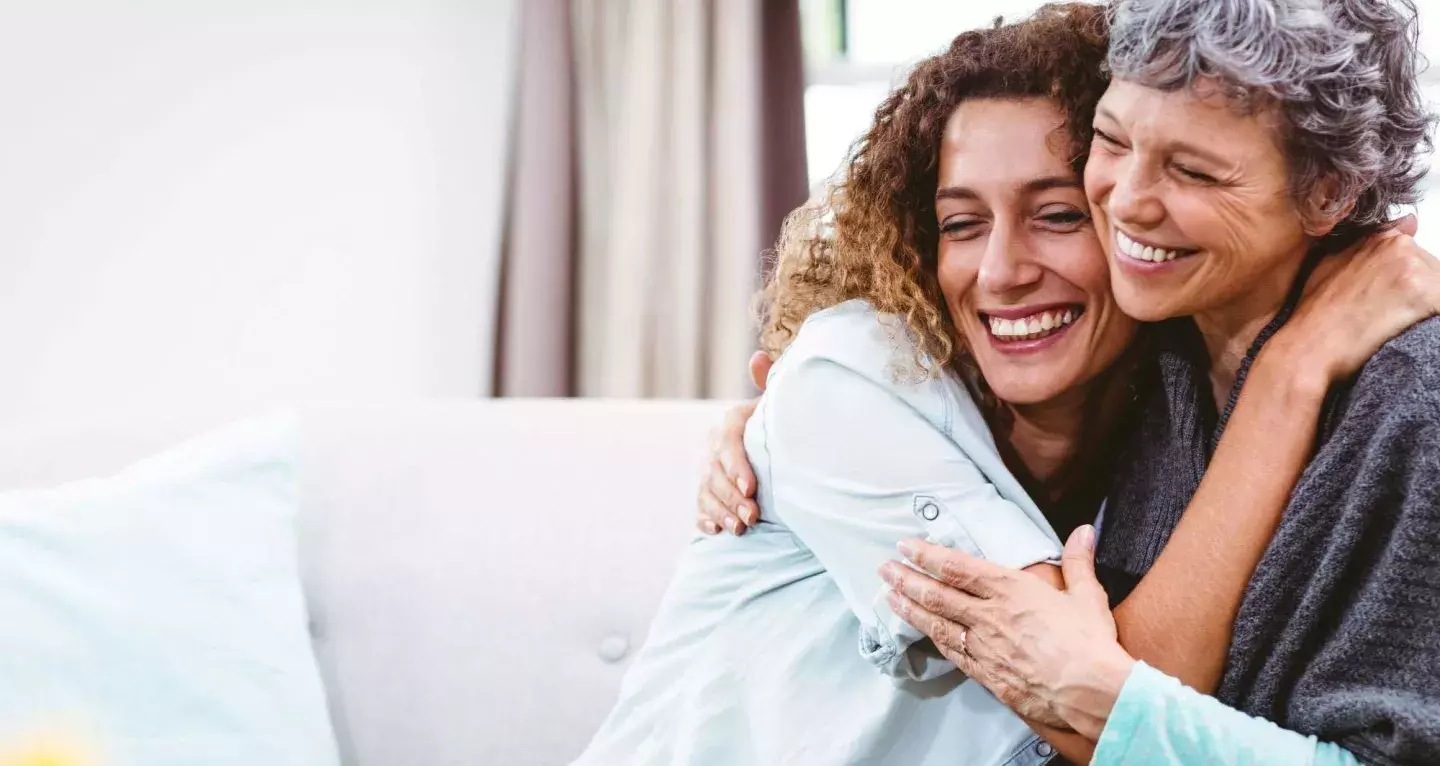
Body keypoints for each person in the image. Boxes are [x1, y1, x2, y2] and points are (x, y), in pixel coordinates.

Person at [619, 4, 1434, 765]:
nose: (1129, 205)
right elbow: (1092, 690)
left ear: (1327, 192)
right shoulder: (1153, 370)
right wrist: (1288, 379)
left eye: (1057, 213)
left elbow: (1096, 691)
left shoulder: (1217, 376)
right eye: (1112, 143)